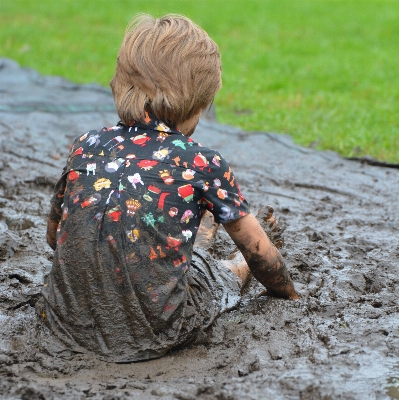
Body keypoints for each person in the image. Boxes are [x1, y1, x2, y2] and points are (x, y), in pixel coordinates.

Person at [37, 14, 299, 363]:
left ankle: (199, 233)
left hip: (65, 321)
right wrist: (290, 295)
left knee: (138, 226)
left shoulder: (86, 145)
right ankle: (214, 247)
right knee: (220, 276)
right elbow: (261, 256)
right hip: (156, 330)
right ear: (197, 105)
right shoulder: (202, 163)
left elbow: (55, 237)